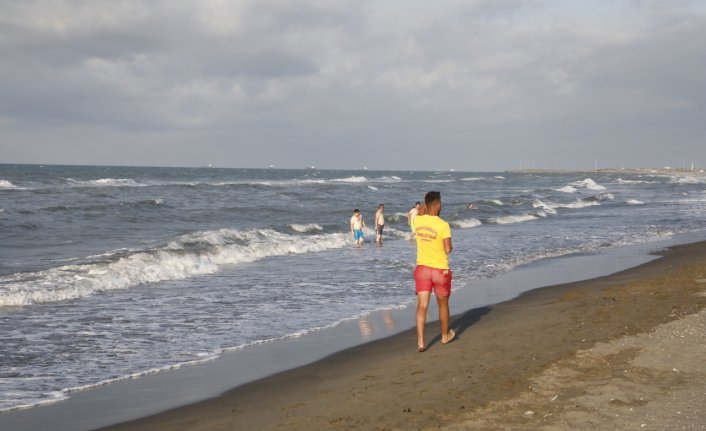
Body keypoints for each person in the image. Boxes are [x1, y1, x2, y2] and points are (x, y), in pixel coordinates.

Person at [413, 191, 455, 352]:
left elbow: (421, 213)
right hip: (439, 270)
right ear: (437, 204)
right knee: (443, 305)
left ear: (425, 204)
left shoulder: (417, 221)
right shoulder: (443, 225)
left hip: (422, 268)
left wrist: (424, 202)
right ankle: (444, 336)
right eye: (440, 203)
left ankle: (421, 342)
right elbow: (448, 249)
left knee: (422, 305)